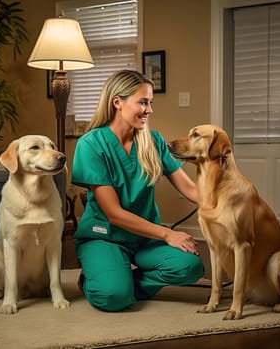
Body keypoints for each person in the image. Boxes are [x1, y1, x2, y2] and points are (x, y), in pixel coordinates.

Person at [71, 69, 204, 312]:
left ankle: (120, 281)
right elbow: (114, 214)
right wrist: (167, 235)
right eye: (142, 102)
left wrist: (231, 200)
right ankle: (99, 281)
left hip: (145, 237)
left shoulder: (153, 140)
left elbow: (190, 189)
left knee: (190, 266)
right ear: (117, 102)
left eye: (150, 102)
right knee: (112, 297)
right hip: (104, 235)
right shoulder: (90, 144)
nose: (149, 110)